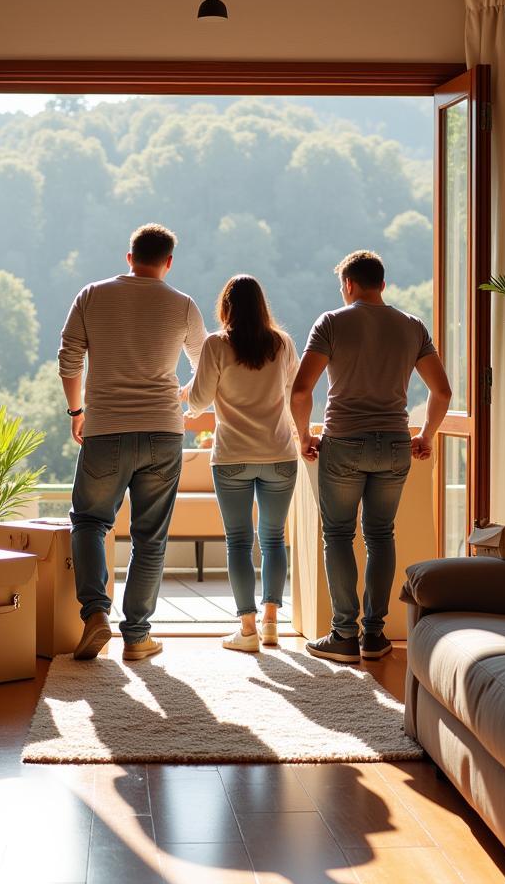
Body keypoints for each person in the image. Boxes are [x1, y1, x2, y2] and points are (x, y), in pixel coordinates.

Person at [290, 250, 451, 663]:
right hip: (395, 442)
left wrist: (305, 434)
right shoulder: (412, 326)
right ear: (383, 284)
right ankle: (374, 638)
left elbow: (301, 390)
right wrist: (426, 435)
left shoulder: (331, 322)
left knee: (339, 535)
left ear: (348, 285)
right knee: (381, 535)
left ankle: (343, 635)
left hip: (343, 441)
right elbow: (443, 391)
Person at [58, 224, 206, 662]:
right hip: (163, 431)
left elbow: (69, 358)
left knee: (89, 521)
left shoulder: (92, 295)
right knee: (150, 537)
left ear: (129, 257)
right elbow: (205, 366)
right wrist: (183, 404)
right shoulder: (182, 305)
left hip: (106, 428)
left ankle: (95, 614)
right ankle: (138, 636)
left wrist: (76, 412)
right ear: (169, 262)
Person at [183, 275, 300, 653]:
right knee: (273, 539)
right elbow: (294, 392)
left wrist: (192, 393)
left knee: (238, 542)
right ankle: (271, 624)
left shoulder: (217, 345)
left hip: (232, 456)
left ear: (226, 306)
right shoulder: (281, 343)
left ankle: (246, 629)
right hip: (280, 454)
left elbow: (198, 401)